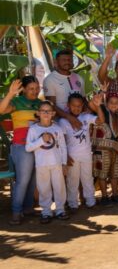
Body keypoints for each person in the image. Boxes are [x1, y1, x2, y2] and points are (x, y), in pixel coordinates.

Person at [0, 77, 43, 225]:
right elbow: (1, 109)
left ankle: (28, 209)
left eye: (37, 88)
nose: (35, 91)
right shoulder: (17, 102)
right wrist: (11, 94)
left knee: (33, 181)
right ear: (23, 89)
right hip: (21, 146)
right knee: (23, 181)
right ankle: (16, 213)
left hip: (37, 146)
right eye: (31, 88)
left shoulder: (39, 103)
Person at [25, 100, 69, 223]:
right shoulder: (33, 129)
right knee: (44, 188)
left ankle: (60, 210)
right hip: (41, 164)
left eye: (48, 111)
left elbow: (63, 147)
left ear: (53, 113)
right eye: (43, 111)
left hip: (56, 164)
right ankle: (46, 212)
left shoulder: (57, 128)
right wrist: (41, 141)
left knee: (59, 187)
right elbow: (28, 147)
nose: (46, 113)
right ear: (38, 113)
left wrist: (64, 163)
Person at [59, 92, 103, 211]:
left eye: (79, 106)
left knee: (87, 178)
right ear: (68, 105)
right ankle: (72, 203)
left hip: (86, 155)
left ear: (83, 106)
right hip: (72, 157)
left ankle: (90, 200)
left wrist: (98, 106)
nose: (76, 108)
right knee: (72, 180)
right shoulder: (63, 122)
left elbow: (100, 121)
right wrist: (66, 156)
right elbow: (61, 141)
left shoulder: (85, 117)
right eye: (73, 105)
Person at [93, 92, 118, 205]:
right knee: (103, 174)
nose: (114, 105)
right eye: (111, 102)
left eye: (116, 103)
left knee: (114, 174)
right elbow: (100, 110)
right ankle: (104, 197)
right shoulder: (104, 112)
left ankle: (115, 195)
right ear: (107, 103)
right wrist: (101, 99)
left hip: (114, 149)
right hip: (102, 149)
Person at [43, 48, 85, 129]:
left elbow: (83, 100)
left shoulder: (79, 78)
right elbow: (51, 105)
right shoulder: (50, 79)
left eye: (69, 60)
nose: (67, 62)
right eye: (64, 60)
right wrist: (69, 117)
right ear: (56, 62)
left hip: (79, 122)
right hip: (60, 124)